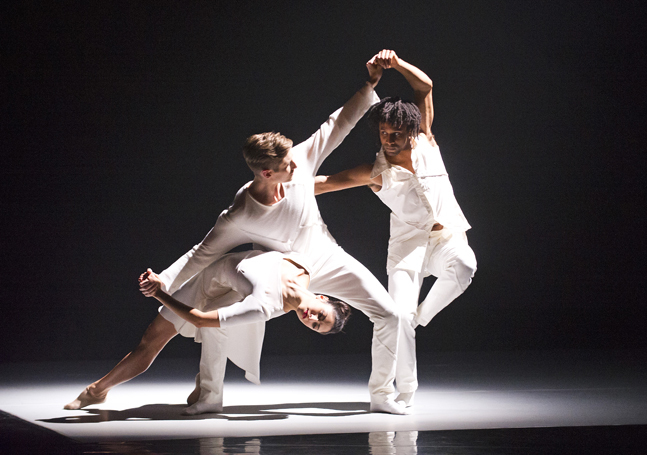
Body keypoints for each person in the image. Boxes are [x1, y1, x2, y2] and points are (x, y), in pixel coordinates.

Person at [68, 57, 407, 415]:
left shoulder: (298, 161)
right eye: (287, 166)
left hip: (325, 259)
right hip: (275, 275)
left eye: (293, 159)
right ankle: (208, 394)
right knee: (215, 312)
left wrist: (368, 86)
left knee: (390, 314)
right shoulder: (239, 216)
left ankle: (382, 394)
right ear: (266, 172)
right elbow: (200, 253)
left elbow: (335, 125)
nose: (297, 166)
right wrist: (163, 280)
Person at [315, 50, 477, 407]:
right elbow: (325, 183)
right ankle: (396, 392)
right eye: (384, 132)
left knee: (464, 267)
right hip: (407, 247)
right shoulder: (376, 173)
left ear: (411, 131)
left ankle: (421, 317)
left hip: (446, 236)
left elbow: (425, 86)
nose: (389, 139)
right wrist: (280, 183)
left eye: (397, 133)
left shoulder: (427, 144)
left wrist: (397, 63)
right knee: (394, 317)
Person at [65, 250, 351, 414]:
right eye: (320, 315)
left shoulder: (266, 306)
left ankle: (208, 392)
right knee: (149, 341)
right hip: (208, 276)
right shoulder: (303, 267)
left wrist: (159, 293)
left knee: (211, 331)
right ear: (322, 298)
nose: (310, 317)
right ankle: (98, 392)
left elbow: (200, 320)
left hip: (220, 294)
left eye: (314, 325)